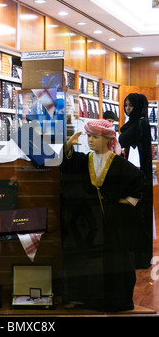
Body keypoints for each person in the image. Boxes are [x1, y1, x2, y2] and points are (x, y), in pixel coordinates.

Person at [60, 119, 144, 312]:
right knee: (89, 263)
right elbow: (69, 165)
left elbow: (138, 183)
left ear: (107, 139)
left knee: (114, 262)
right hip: (89, 223)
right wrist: (68, 148)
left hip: (113, 224)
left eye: (95, 137)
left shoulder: (120, 164)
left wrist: (124, 205)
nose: (90, 140)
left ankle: (116, 301)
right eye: (89, 136)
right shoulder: (84, 161)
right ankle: (89, 299)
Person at [119, 93, 153, 269]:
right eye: (126, 105)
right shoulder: (138, 123)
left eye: (130, 105)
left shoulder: (140, 124)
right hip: (135, 175)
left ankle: (139, 258)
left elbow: (124, 140)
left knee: (139, 218)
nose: (127, 109)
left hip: (137, 177)